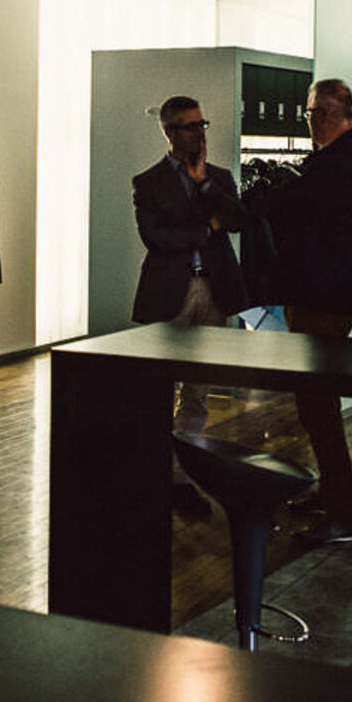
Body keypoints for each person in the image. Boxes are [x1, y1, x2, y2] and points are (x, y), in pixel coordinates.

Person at [265, 78, 352, 544]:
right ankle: (331, 496)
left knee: (318, 405)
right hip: (328, 296)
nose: (308, 121)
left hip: (322, 299)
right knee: (315, 404)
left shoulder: (336, 164)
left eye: (310, 112)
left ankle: (342, 514)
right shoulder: (347, 158)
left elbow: (291, 211)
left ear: (327, 115)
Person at [132, 95, 250, 515]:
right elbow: (157, 238)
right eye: (190, 126)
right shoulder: (148, 182)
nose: (200, 132)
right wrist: (206, 229)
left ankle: (182, 479)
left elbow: (238, 221)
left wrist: (204, 186)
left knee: (198, 392)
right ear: (169, 131)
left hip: (214, 290)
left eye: (203, 124)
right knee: (160, 389)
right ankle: (153, 473)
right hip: (171, 293)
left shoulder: (217, 177)